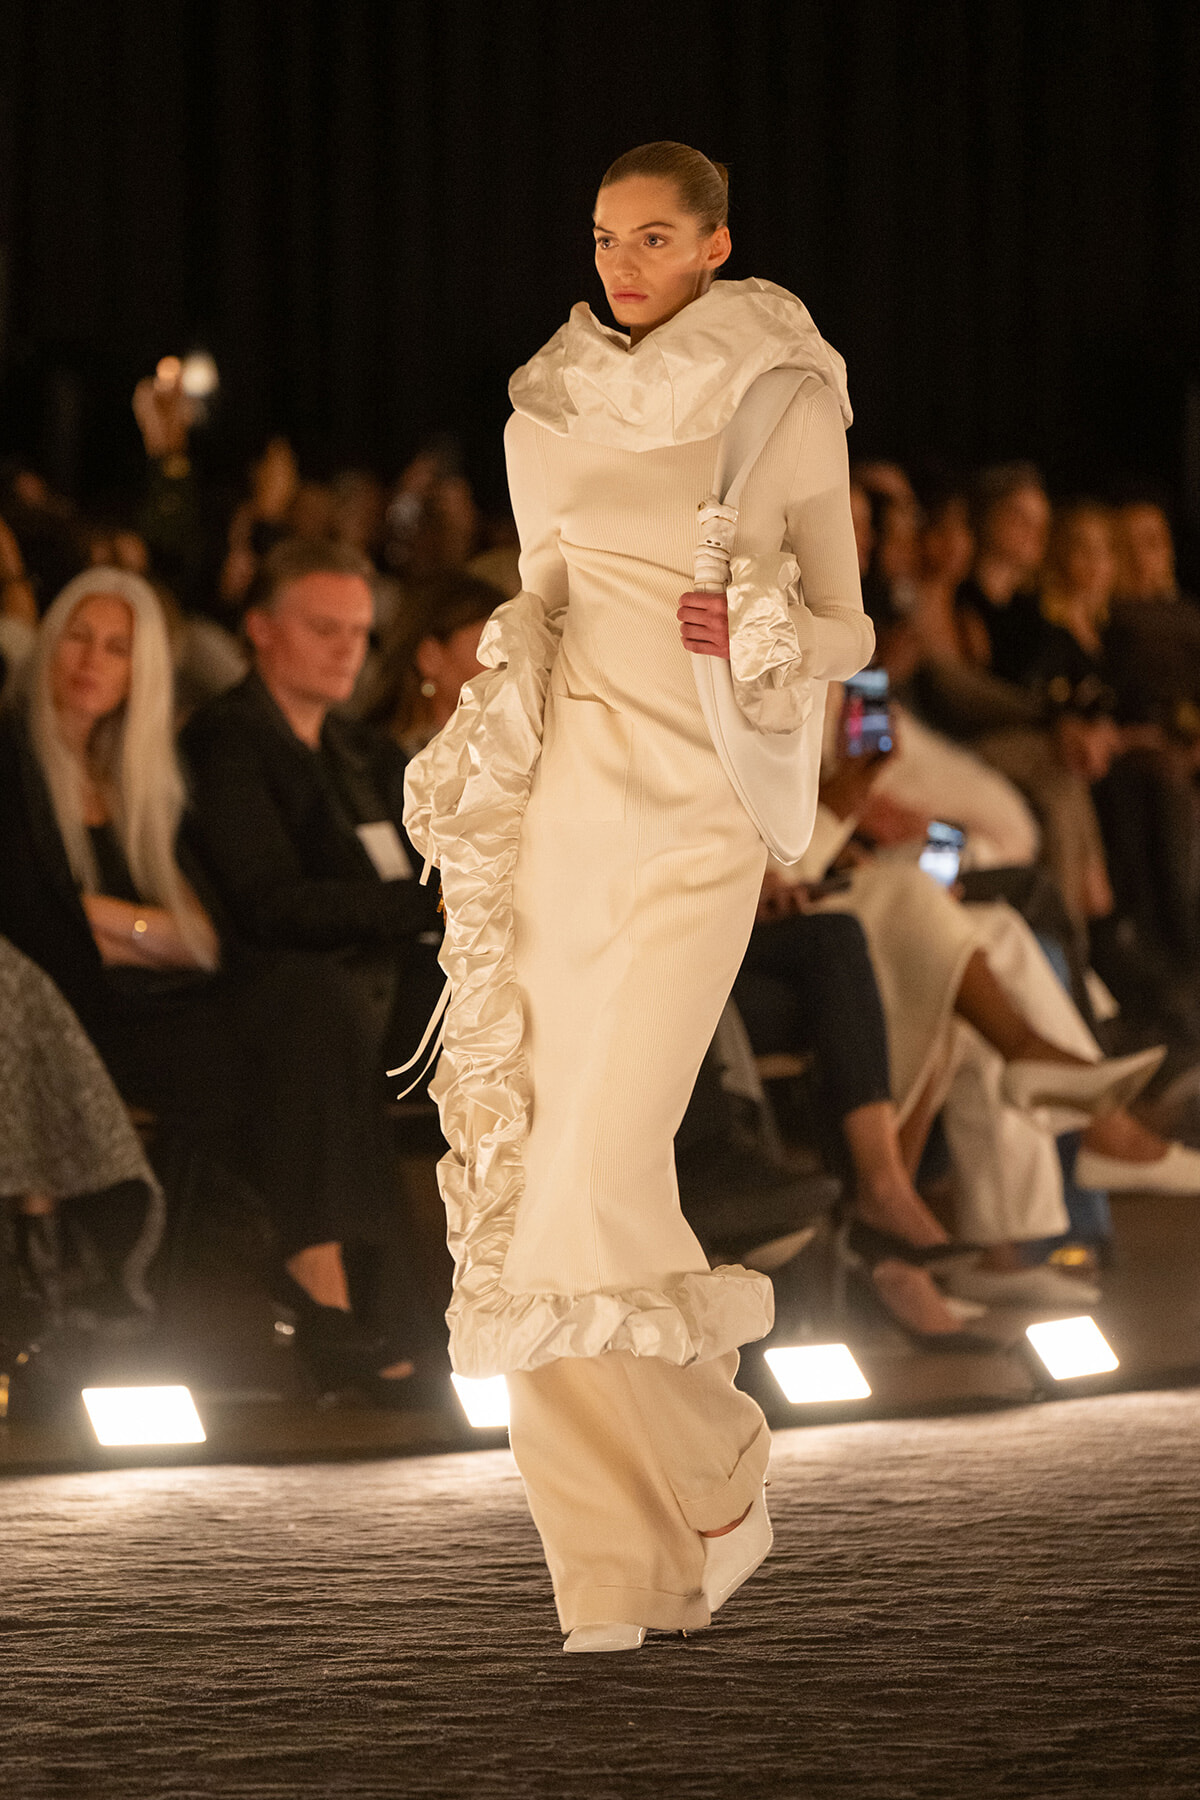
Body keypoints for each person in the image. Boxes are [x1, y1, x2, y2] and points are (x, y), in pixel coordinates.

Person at [403, 141, 879, 1652]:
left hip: (693, 810)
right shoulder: (541, 402)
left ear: (717, 244)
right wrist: (501, 673)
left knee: (597, 1172)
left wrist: (760, 624)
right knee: (541, 1185)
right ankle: (621, 1568)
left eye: (657, 235)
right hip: (567, 808)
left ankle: (719, 1476)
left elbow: (850, 627)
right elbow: (545, 588)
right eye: (608, 235)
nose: (624, 260)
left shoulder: (781, 394)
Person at [0, 568, 428, 1400]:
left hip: (161, 1011)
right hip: (63, 1021)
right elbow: (39, 923)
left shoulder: (137, 777)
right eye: (79, 637)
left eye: (118, 647)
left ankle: (334, 1293)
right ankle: (349, 1307)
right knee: (307, 1043)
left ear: (142, 671)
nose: (92, 661)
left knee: (309, 1011)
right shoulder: (12, 758)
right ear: (50, 643)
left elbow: (205, 939)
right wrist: (139, 928)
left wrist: (114, 922)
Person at [181, 537, 445, 1066]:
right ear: (260, 629)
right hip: (306, 1004)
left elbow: (434, 864)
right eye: (325, 630)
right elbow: (272, 906)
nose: (348, 650)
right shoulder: (225, 742)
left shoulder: (364, 750)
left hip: (400, 972)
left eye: (360, 633)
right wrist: (435, 903)